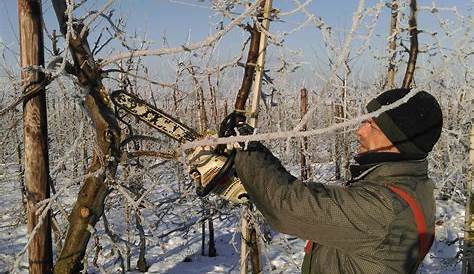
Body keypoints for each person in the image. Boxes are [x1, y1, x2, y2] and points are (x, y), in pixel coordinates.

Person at [189, 88, 443, 273]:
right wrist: (254, 176)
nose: (359, 130)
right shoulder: (409, 185)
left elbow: (288, 207)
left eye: (371, 126)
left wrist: (245, 149)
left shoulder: (385, 208)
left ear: (398, 141)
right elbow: (323, 205)